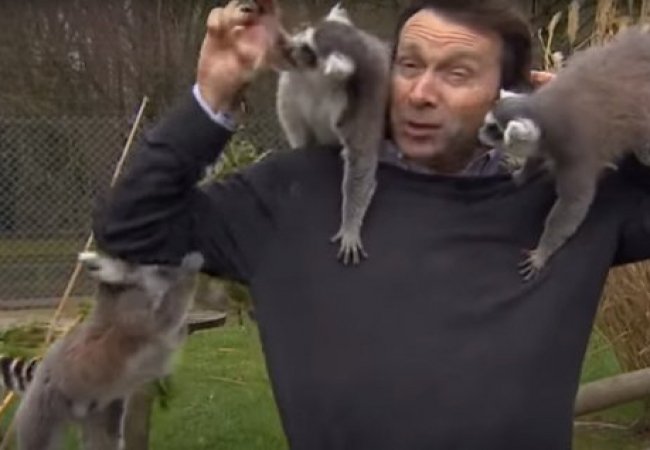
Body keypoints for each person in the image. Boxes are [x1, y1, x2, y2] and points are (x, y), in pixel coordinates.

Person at [91, 0, 650, 448]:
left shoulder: (572, 195)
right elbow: (132, 228)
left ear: (512, 93)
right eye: (409, 65)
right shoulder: (295, 192)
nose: (421, 93)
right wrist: (211, 98)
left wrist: (595, 114)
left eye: (456, 73)